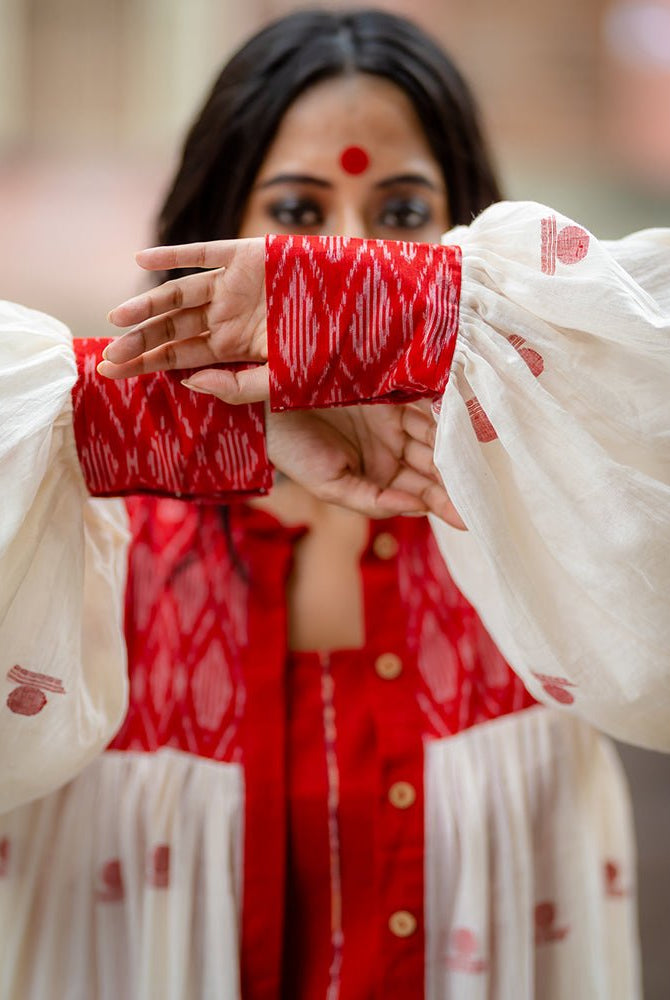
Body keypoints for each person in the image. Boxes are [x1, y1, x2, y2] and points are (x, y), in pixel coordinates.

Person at [1, 9, 668, 1000]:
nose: (344, 254)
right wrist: (177, 424)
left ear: (465, 240)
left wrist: (409, 324)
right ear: (211, 236)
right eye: (298, 216)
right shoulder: (75, 539)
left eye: (400, 217)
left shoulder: (546, 528)